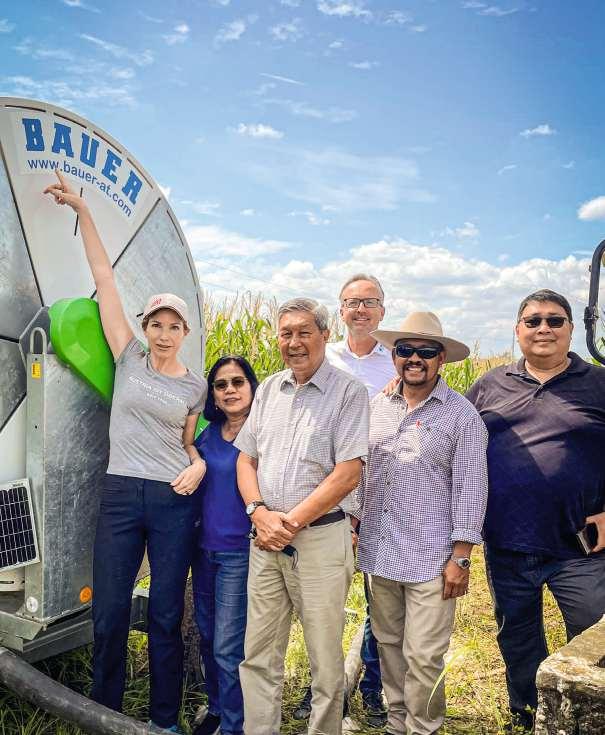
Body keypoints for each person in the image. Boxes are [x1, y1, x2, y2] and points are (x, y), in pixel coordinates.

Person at [44, 171, 207, 734]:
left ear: (184, 333)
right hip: (120, 494)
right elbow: (104, 278)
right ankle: (104, 714)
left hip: (172, 500)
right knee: (110, 611)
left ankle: (162, 720)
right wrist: (83, 212)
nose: (163, 334)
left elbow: (189, 443)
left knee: (164, 614)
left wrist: (198, 464)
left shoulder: (195, 386)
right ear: (144, 327)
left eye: (173, 326)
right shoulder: (128, 357)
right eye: (155, 324)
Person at [466, 289, 605, 732]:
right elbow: (450, 430)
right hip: (508, 543)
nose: (543, 328)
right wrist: (402, 388)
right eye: (533, 320)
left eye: (554, 320)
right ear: (518, 329)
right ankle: (527, 716)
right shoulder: (489, 385)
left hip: (581, 547)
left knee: (593, 638)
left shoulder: (599, 383)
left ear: (572, 329)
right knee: (518, 638)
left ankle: (591, 718)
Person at [235, 297, 369, 735]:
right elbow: (246, 460)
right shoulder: (269, 390)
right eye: (286, 333)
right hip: (265, 539)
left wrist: (287, 524)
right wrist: (258, 512)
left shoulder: (348, 392)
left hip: (319, 541)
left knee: (323, 659)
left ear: (325, 336)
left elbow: (347, 474)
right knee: (258, 655)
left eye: (304, 332)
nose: (294, 342)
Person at [357, 311, 488, 735]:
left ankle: (423, 727)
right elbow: (360, 473)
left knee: (425, 656)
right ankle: (398, 723)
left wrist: (461, 558)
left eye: (426, 351)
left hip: (432, 557)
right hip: (380, 552)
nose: (415, 358)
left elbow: (471, 488)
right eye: (405, 350)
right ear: (394, 356)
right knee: (389, 646)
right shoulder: (376, 407)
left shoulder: (462, 417)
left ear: (441, 358)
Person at [296, 273, 392, 727]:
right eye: (352, 302)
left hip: (381, 493)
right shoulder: (322, 357)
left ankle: (372, 687)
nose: (360, 309)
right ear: (340, 311)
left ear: (382, 310)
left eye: (369, 302)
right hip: (327, 495)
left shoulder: (398, 361)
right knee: (323, 601)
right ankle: (319, 690)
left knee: (380, 601)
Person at [191, 356, 259, 735]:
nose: (230, 390)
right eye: (221, 385)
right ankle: (217, 709)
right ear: (213, 395)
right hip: (203, 551)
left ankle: (235, 726)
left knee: (228, 646)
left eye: (237, 382)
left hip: (239, 553)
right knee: (207, 635)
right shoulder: (207, 434)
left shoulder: (263, 432)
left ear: (251, 386)